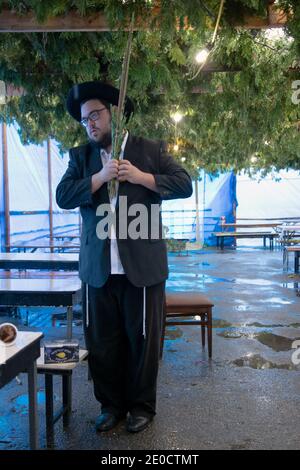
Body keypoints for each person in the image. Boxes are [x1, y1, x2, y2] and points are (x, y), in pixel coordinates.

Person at [56, 81, 193, 433]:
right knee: (102, 341)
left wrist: (141, 177)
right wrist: (99, 178)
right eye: (85, 120)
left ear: (113, 113)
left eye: (96, 115)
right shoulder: (80, 158)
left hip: (142, 268)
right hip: (98, 269)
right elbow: (63, 196)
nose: (90, 124)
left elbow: (183, 183)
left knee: (143, 340)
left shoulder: (150, 150)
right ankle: (111, 405)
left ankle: (141, 406)